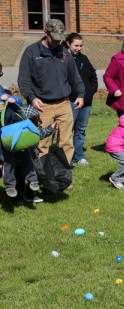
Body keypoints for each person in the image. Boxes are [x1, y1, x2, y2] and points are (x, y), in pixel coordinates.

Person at [17, 19, 85, 164]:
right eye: (54, 38)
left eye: (59, 38)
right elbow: (24, 80)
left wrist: (80, 94)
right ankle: (44, 177)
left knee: (66, 142)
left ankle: (63, 177)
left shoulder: (65, 53)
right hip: (42, 106)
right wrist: (32, 98)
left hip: (64, 104)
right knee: (42, 143)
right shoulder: (31, 52)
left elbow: (75, 78)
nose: (57, 42)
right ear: (45, 33)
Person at [0, 102, 57, 203]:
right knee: (19, 180)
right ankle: (17, 198)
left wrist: (51, 128)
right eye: (33, 120)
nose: (36, 122)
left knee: (33, 178)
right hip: (17, 162)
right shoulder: (19, 129)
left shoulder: (33, 128)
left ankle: (30, 196)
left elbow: (41, 133)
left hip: (32, 159)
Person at [64, 33, 98, 165]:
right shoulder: (63, 59)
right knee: (67, 130)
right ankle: (67, 157)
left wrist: (91, 90)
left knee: (81, 130)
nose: (78, 48)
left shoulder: (84, 59)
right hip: (71, 101)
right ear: (68, 44)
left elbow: (92, 75)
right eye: (76, 45)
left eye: (80, 45)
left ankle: (79, 155)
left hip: (86, 101)